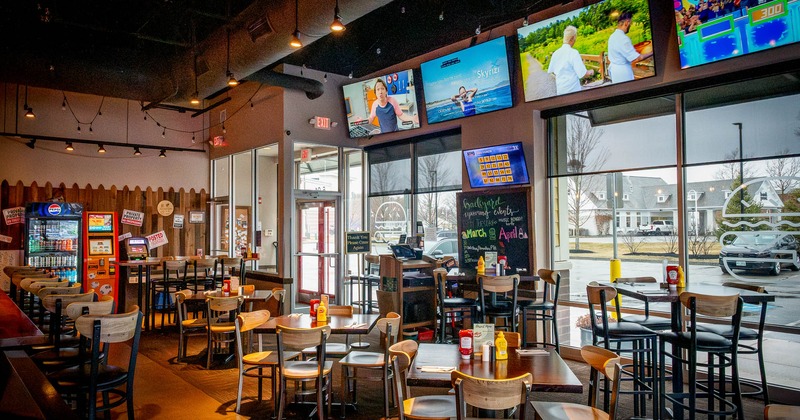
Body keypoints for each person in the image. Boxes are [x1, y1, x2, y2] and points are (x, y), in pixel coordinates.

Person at [547, 26, 594, 95]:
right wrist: (591, 71)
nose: (575, 41)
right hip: (573, 91)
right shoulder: (573, 53)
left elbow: (552, 71)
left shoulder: (555, 53)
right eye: (575, 38)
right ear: (572, 38)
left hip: (560, 91)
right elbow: (583, 74)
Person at [607, 12, 653, 83]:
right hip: (623, 74)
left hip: (615, 71)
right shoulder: (623, 38)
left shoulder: (612, 36)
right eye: (630, 23)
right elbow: (637, 58)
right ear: (627, 23)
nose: (630, 26)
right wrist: (653, 52)